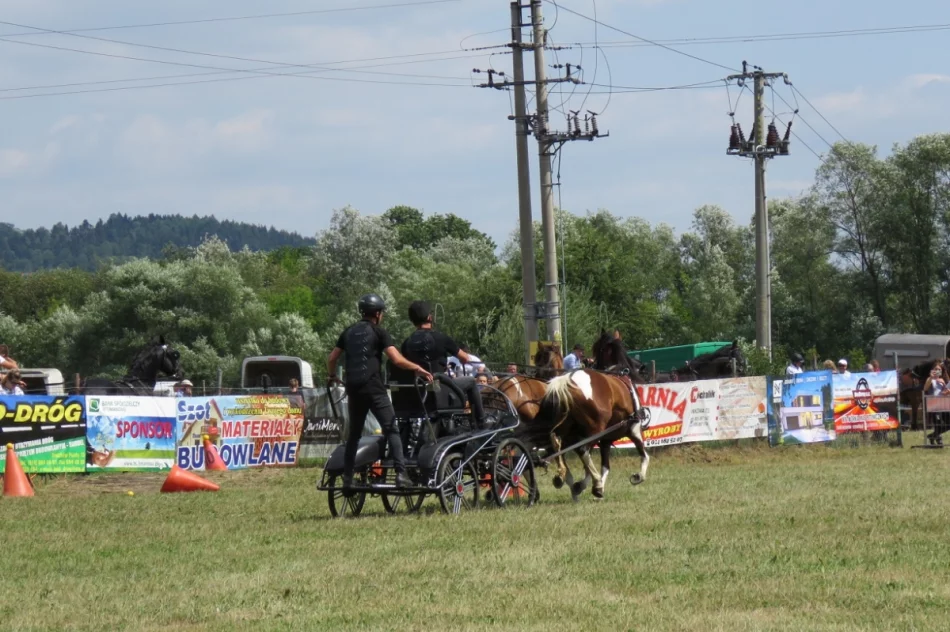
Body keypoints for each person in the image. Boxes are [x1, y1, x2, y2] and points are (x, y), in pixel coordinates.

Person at [327, 293, 432, 491]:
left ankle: (348, 478)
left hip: (354, 390)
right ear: (377, 313)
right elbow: (396, 359)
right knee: (391, 428)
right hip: (374, 388)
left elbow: (332, 358)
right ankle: (401, 475)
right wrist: (417, 368)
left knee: (354, 435)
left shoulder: (348, 332)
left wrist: (332, 376)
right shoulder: (379, 332)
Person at [400, 301, 487, 428]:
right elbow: (465, 358)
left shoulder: (406, 343)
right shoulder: (441, 338)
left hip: (416, 393)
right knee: (471, 381)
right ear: (429, 317)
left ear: (412, 321)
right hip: (438, 389)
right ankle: (481, 423)